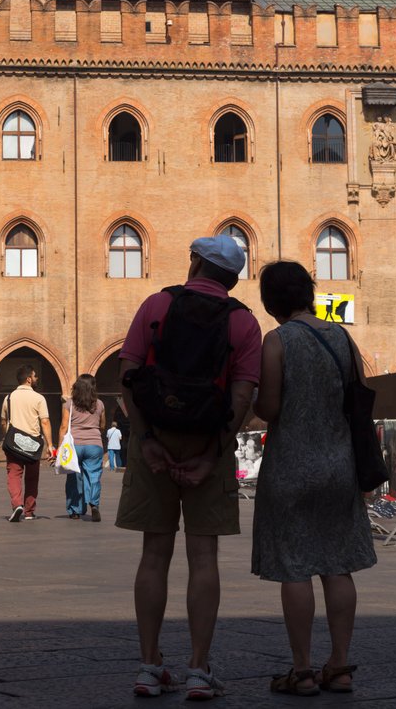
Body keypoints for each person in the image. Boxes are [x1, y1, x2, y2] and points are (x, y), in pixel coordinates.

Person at [117, 234, 262, 700]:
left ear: (196, 262)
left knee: (153, 554)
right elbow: (243, 397)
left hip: (154, 438)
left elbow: (127, 377)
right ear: (232, 278)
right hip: (208, 443)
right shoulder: (243, 322)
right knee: (203, 558)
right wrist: (211, 455)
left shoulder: (156, 305)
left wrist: (146, 441)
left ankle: (149, 665)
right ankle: (198, 669)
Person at [252, 261, 376, 696]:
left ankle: (302, 671)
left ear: (271, 301)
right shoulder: (343, 337)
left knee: (295, 567)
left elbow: (269, 408)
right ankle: (339, 667)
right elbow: (360, 397)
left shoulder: (277, 341)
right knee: (338, 566)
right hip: (339, 466)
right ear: (309, 292)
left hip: (290, 467)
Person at [0, 364, 54, 521]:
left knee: (14, 475)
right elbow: (45, 422)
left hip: (14, 443)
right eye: (35, 376)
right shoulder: (39, 398)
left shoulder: (8, 398)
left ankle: (17, 504)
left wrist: (6, 436)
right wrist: (50, 445)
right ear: (29, 379)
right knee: (32, 477)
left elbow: (3, 421)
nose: (37, 378)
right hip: (32, 444)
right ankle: (29, 511)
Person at [59, 373, 106, 521]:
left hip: (75, 445)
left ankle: (75, 510)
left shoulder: (69, 404)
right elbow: (102, 425)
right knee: (94, 476)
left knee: (74, 478)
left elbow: (64, 427)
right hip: (94, 445)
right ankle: (94, 503)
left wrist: (60, 448)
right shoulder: (99, 404)